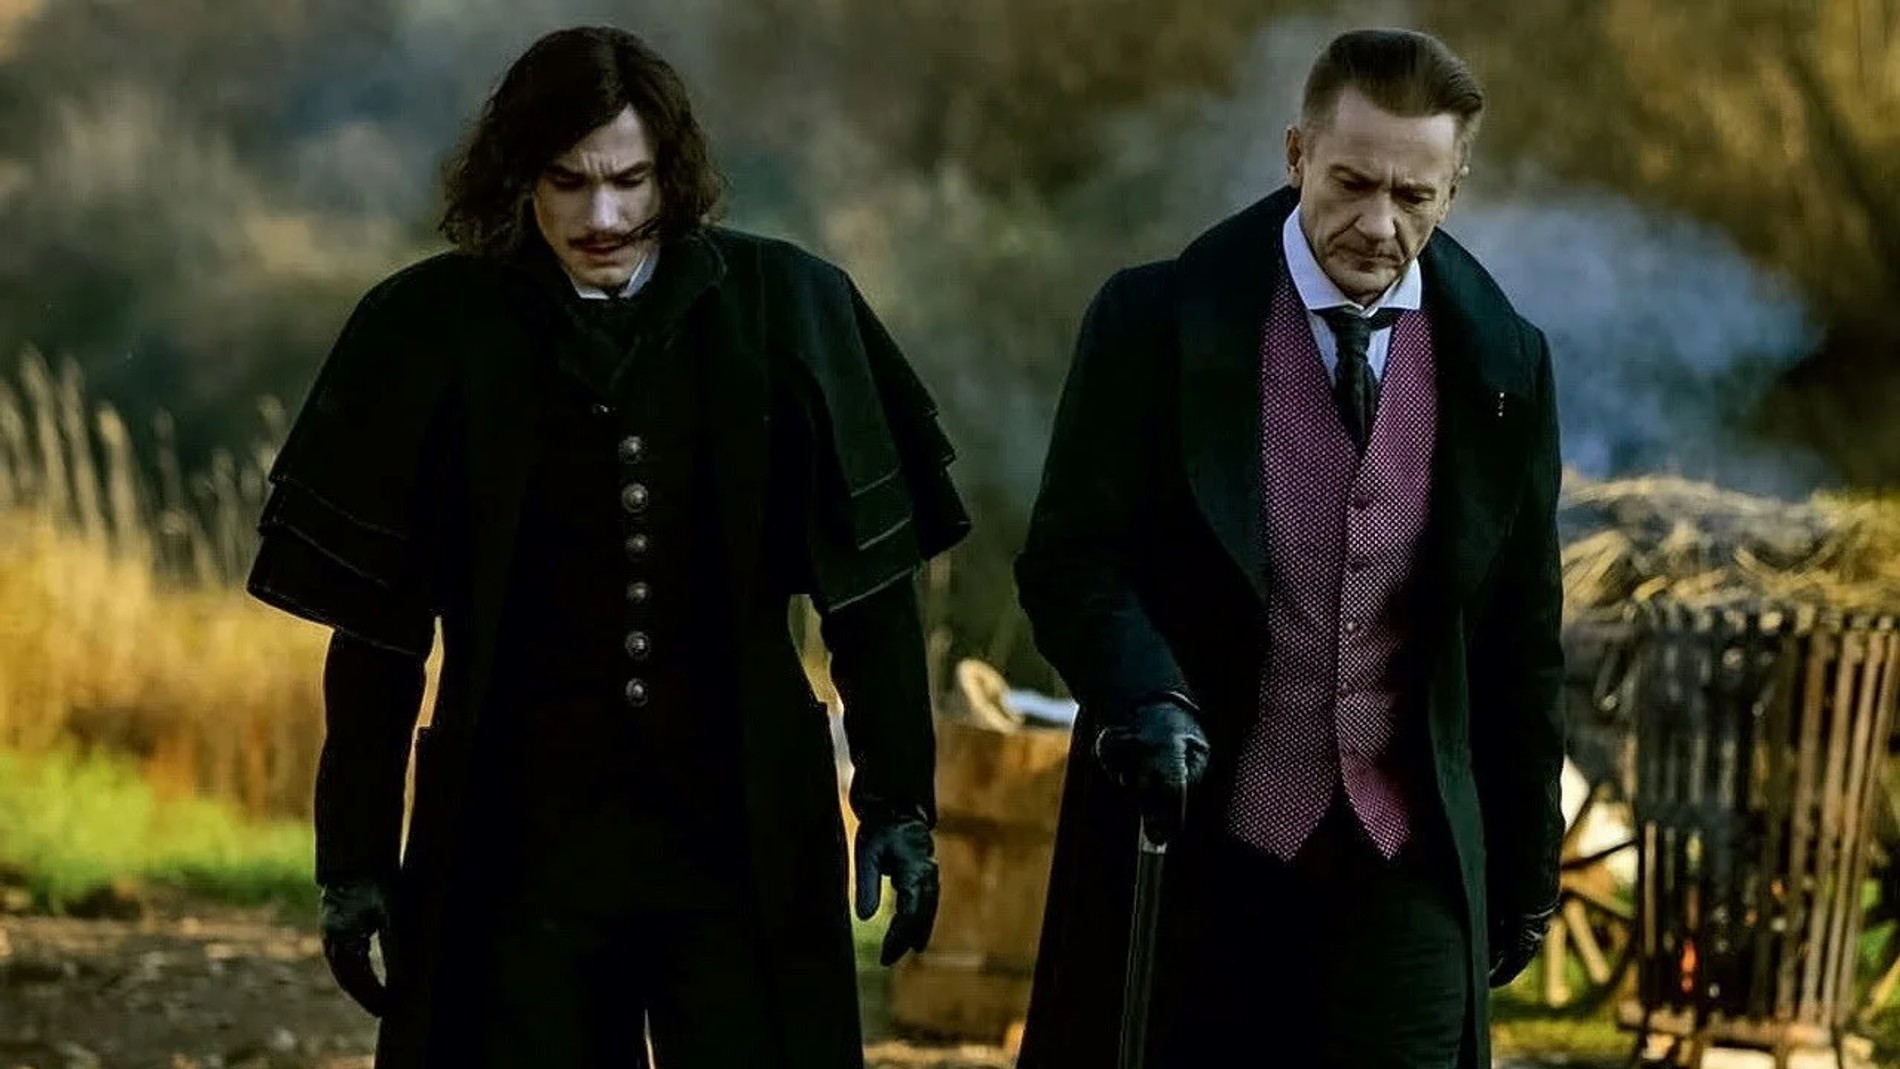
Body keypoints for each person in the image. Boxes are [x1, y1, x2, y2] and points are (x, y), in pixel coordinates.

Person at [245, 24, 968, 1068]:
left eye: (631, 181)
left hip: (743, 826)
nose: (603, 217)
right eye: (568, 182)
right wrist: (353, 858)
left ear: (672, 174)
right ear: (517, 178)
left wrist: (898, 802)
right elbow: (377, 634)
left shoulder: (788, 309)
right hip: (511, 833)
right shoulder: (427, 329)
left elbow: (869, 596)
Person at [1014, 27, 1564, 1069]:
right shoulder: (1153, 320)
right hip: (1204, 850)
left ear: (1454, 189)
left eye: (1414, 196)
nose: (1379, 224)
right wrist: (1147, 691)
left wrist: (1527, 866)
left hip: (1405, 869)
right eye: (1352, 182)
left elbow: (1522, 639)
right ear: (1297, 153)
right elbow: (1071, 560)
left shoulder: (1504, 365)